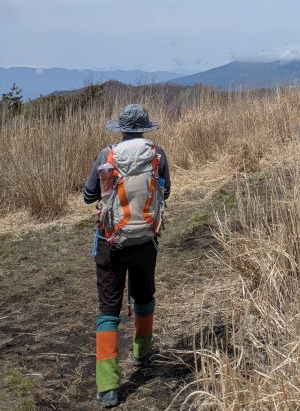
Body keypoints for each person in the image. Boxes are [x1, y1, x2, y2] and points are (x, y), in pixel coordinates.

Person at [83, 104, 171, 408]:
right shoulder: (157, 153)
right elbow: (166, 191)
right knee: (145, 296)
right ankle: (143, 354)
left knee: (108, 310)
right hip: (146, 239)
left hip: (111, 241)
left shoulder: (106, 155)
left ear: (120, 127)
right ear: (145, 127)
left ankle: (108, 387)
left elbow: (88, 196)